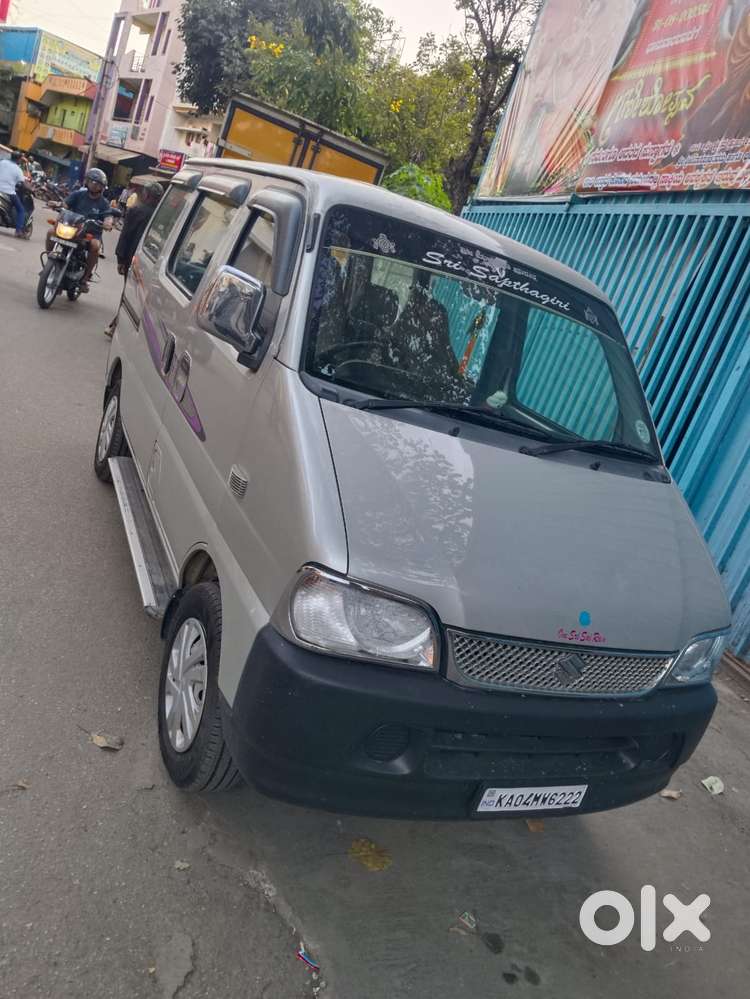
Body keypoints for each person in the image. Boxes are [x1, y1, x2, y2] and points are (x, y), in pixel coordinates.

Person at [105, 179, 164, 338]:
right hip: (153, 262)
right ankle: (118, 323)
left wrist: (120, 259)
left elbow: (125, 235)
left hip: (134, 260)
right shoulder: (161, 215)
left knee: (129, 292)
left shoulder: (136, 211)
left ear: (146, 195)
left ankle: (117, 325)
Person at [47, 168, 113, 293]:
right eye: (91, 181)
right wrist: (57, 204)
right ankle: (50, 262)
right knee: (51, 232)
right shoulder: (78, 195)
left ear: (102, 187)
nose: (94, 185)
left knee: (95, 246)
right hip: (73, 228)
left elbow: (108, 216)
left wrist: (108, 223)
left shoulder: (104, 203)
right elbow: (65, 204)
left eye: (97, 183)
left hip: (90, 233)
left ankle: (85, 278)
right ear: (86, 181)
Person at [0, 151, 28, 237]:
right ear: (19, 159)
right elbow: (23, 184)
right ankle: (18, 231)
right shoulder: (18, 170)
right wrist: (31, 189)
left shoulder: (2, 162)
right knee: (21, 210)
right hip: (9, 192)